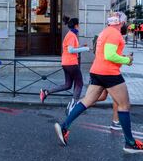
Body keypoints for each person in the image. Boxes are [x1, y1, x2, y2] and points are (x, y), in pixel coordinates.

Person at [54, 12, 143, 153]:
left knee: (86, 101)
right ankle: (130, 143)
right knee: (124, 104)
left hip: (96, 70)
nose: (126, 24)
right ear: (120, 22)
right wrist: (127, 60)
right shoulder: (115, 34)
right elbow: (110, 55)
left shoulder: (104, 32)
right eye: (125, 22)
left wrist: (123, 57)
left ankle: (64, 126)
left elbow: (106, 53)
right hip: (109, 73)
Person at [40, 16, 89, 115]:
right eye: (79, 25)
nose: (80, 27)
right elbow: (71, 50)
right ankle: (73, 105)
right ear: (76, 25)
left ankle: (45, 92)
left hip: (66, 63)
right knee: (79, 83)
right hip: (71, 63)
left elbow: (70, 48)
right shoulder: (71, 35)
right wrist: (85, 49)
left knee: (68, 85)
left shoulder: (70, 34)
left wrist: (80, 47)